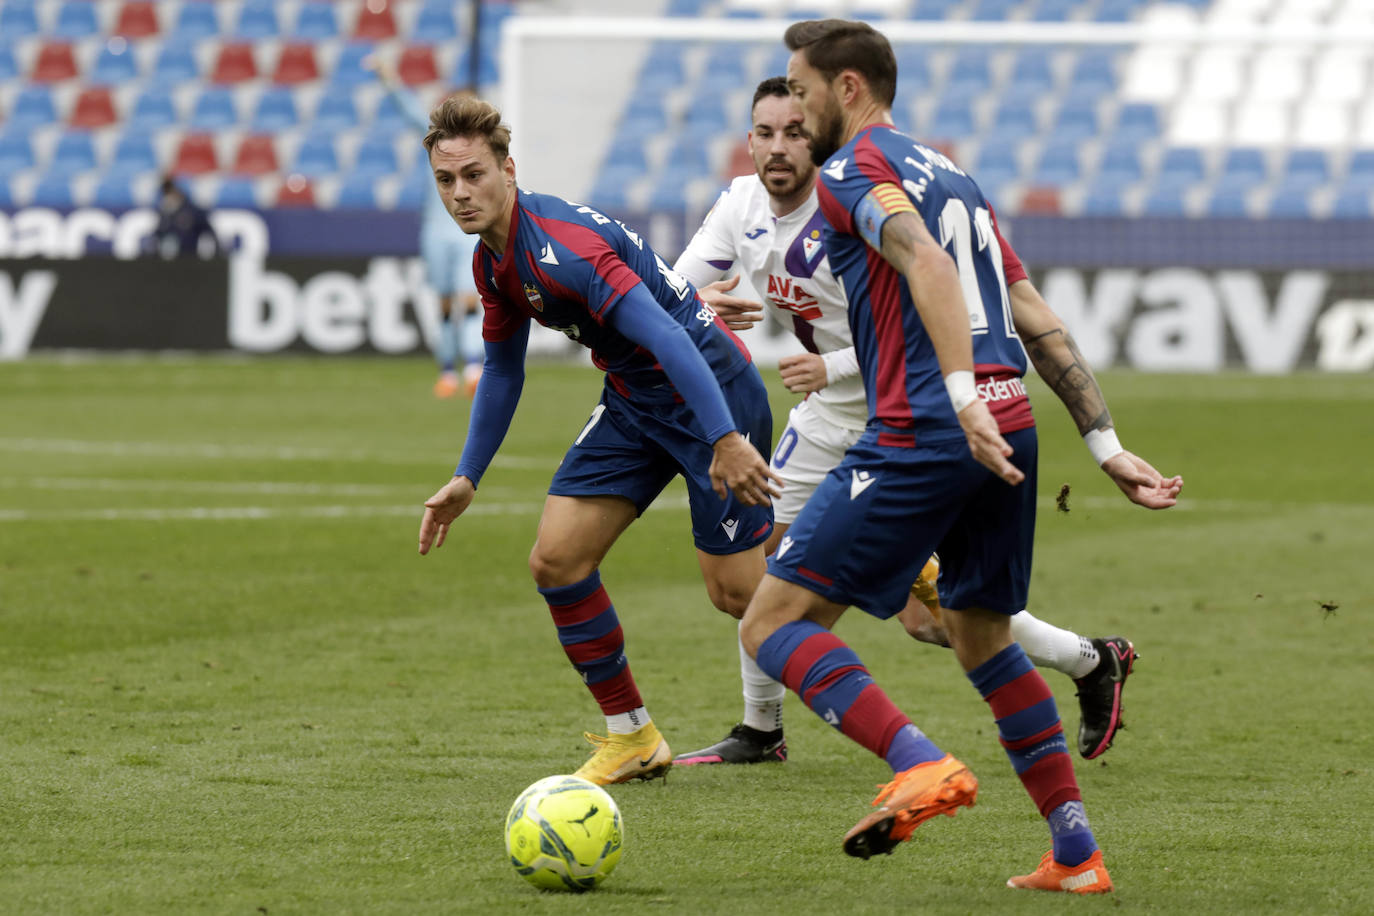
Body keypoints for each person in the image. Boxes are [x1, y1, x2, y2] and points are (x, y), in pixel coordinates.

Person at [737, 20, 1182, 893]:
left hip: (931, 426)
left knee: (771, 623)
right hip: (1010, 422)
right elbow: (1030, 311)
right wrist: (1105, 443)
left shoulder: (856, 171)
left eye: (800, 87)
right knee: (981, 638)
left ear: (849, 87)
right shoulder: (957, 177)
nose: (792, 103)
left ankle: (917, 763)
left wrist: (961, 395)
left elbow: (927, 265)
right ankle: (1077, 853)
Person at [671, 77, 1140, 768]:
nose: (778, 148)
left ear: (824, 130)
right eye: (764, 133)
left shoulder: (857, 200)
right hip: (832, 417)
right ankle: (760, 727)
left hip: (908, 413)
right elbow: (674, 297)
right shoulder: (740, 205)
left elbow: (927, 318)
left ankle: (1088, 660)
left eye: (795, 132)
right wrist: (701, 306)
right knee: (745, 573)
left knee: (936, 620)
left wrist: (830, 366)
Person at [414, 95, 783, 786]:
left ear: (508, 169)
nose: (461, 193)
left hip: (711, 394)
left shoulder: (563, 249)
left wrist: (725, 438)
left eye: (474, 175)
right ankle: (633, 736)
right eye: (445, 180)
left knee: (740, 597)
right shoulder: (491, 262)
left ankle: (852, 555)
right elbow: (500, 366)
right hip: (635, 402)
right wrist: (469, 475)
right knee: (556, 559)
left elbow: (674, 336)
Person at [368, 57, 483, 398]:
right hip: (436, 228)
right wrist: (388, 78)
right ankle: (448, 371)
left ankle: (474, 366)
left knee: (470, 298)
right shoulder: (435, 139)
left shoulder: (485, 146)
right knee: (445, 304)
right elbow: (409, 109)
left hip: (468, 228)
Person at [150, 177, 220, 259]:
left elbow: (208, 230)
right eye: (166, 193)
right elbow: (157, 234)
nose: (168, 196)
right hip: (170, 261)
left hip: (191, 258)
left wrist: (213, 253)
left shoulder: (192, 211)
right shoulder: (165, 214)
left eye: (170, 192)